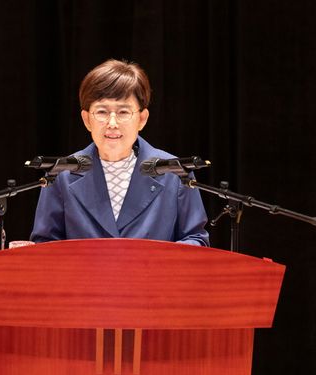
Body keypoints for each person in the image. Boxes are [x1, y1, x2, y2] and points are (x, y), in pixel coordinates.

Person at [30, 59, 209, 247]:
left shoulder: (175, 172)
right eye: (102, 112)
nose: (112, 123)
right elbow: (44, 245)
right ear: (87, 119)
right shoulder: (61, 174)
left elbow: (196, 240)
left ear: (142, 119)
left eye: (123, 112)